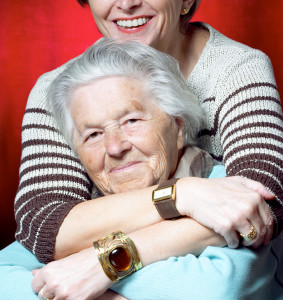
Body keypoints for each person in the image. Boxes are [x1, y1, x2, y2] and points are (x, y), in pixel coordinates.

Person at [1, 38, 281, 300]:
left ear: (178, 128)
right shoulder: (86, 212)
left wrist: (96, 266)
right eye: (93, 135)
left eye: (132, 120)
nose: (114, 147)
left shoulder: (229, 193)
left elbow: (210, 291)